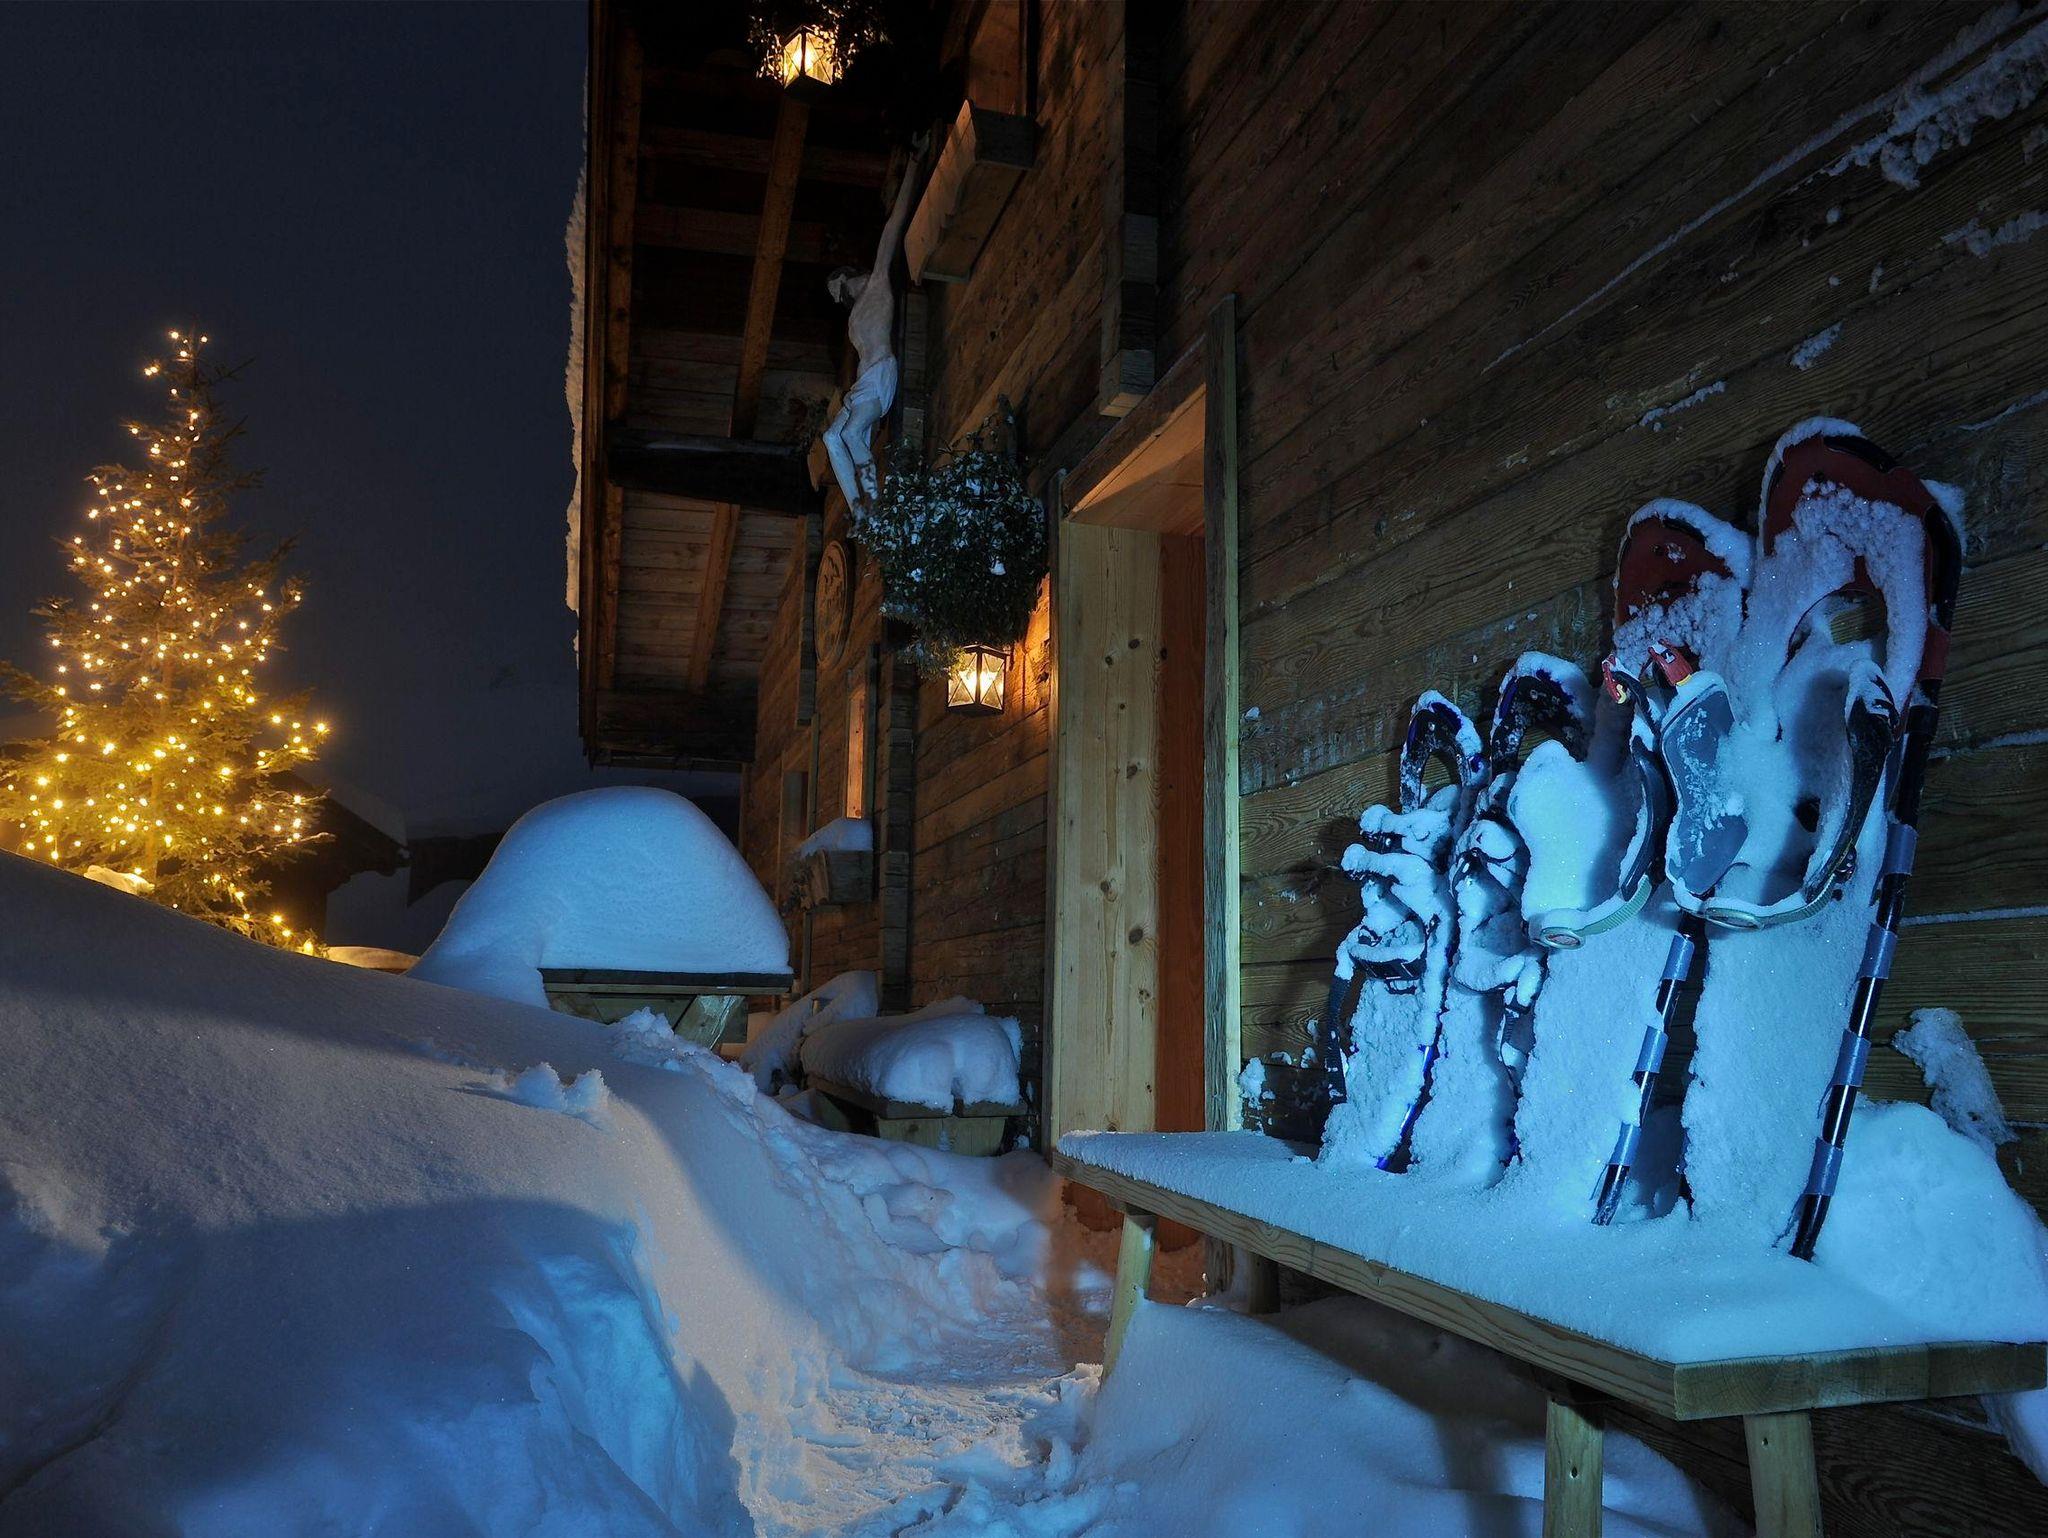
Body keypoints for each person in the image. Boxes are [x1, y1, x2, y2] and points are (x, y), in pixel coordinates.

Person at [823, 146, 924, 515]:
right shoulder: (854, 315)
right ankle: (857, 507)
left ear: (843, 278)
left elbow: (893, 225)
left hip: (880, 373)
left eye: (835, 288)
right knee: (831, 437)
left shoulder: (878, 283)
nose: (836, 296)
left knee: (850, 434)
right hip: (862, 385)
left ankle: (872, 508)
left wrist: (912, 166)